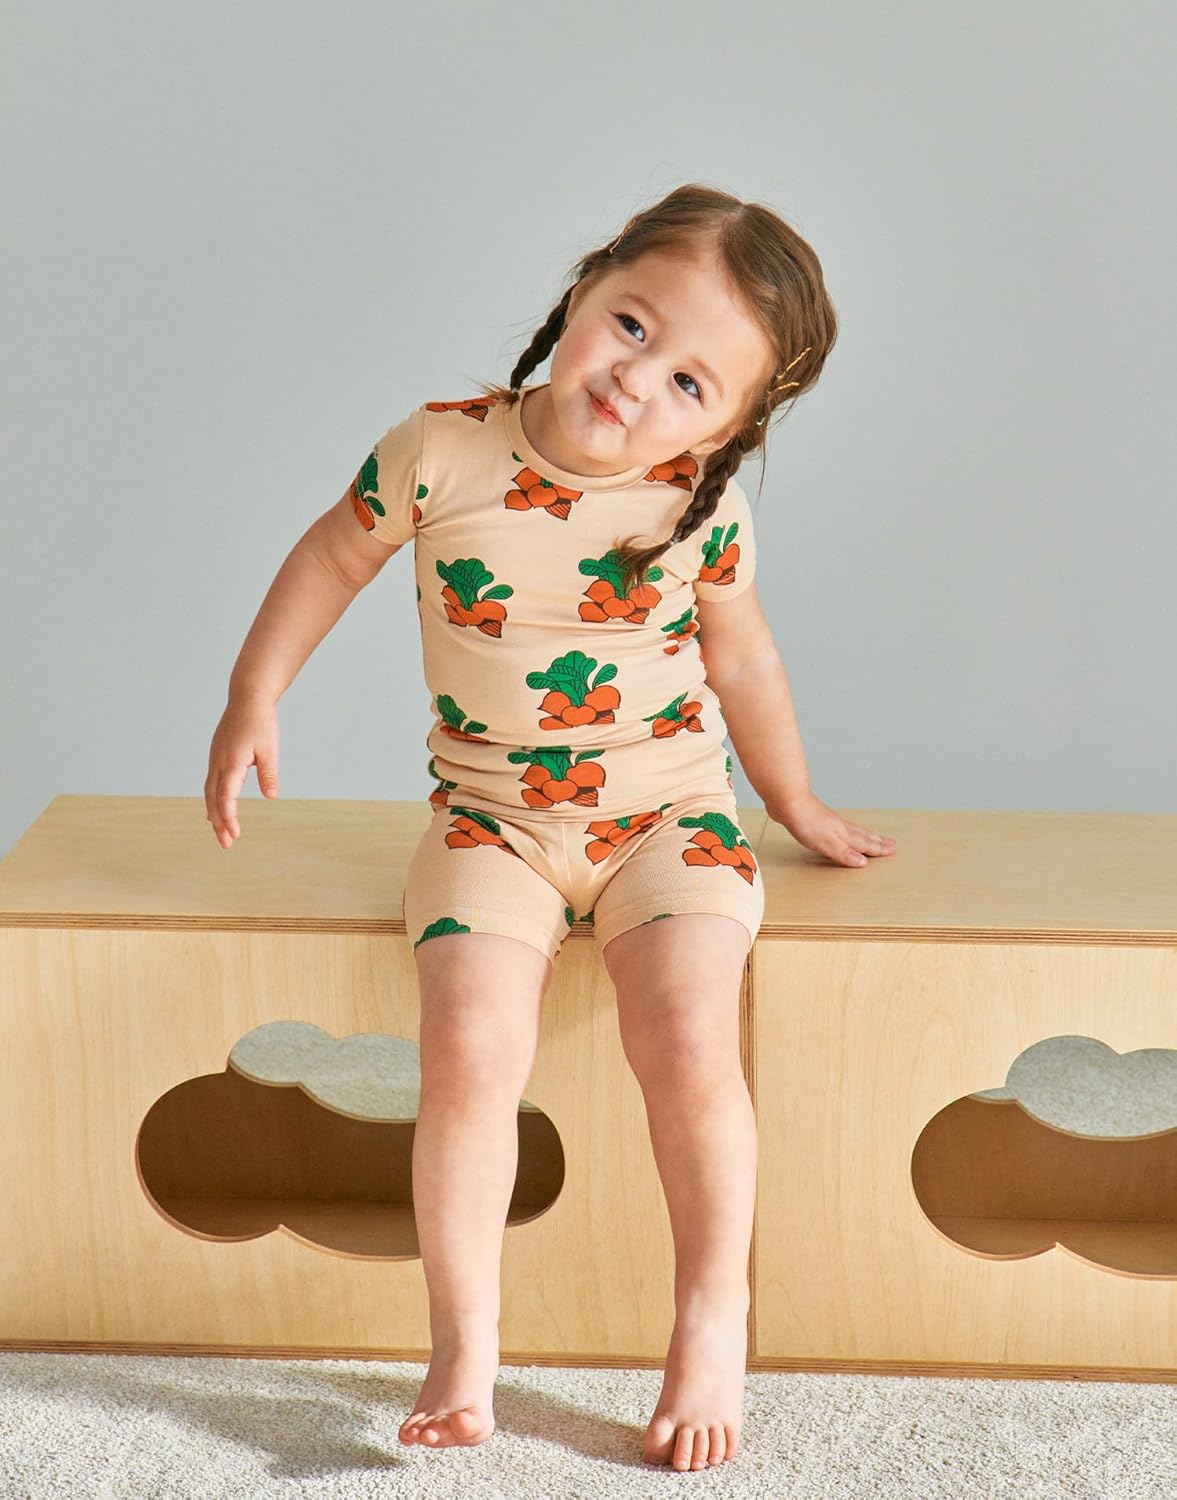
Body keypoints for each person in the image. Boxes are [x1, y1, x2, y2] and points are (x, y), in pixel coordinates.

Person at [204, 182, 897, 1474]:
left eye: (690, 383)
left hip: (668, 820)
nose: (637, 381)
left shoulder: (695, 505)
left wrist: (792, 801)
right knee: (467, 1048)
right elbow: (329, 558)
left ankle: (712, 1313)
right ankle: (465, 1339)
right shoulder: (441, 449)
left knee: (686, 1033)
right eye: (631, 325)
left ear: (730, 427)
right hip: (491, 823)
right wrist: (255, 695)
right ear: (583, 289)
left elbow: (743, 661)